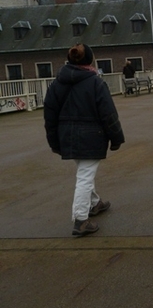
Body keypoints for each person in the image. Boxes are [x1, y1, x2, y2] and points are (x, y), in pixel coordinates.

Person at [44, 43, 125, 237]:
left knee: (84, 171)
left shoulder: (56, 84)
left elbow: (49, 116)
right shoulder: (96, 83)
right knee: (85, 177)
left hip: (67, 138)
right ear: (90, 60)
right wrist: (116, 138)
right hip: (91, 137)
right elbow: (108, 114)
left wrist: (54, 143)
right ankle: (81, 220)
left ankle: (95, 203)